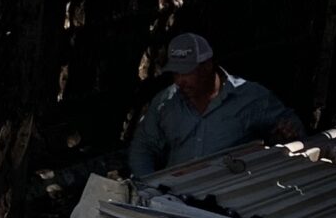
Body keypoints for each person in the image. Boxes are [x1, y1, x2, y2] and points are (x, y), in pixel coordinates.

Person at [125, 32, 305, 178]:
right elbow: (143, 146)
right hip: (175, 194)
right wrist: (149, 185)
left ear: (207, 66)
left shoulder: (251, 98)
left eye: (186, 73)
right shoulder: (166, 102)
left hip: (229, 194)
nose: (180, 81)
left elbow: (292, 129)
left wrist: (286, 138)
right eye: (175, 74)